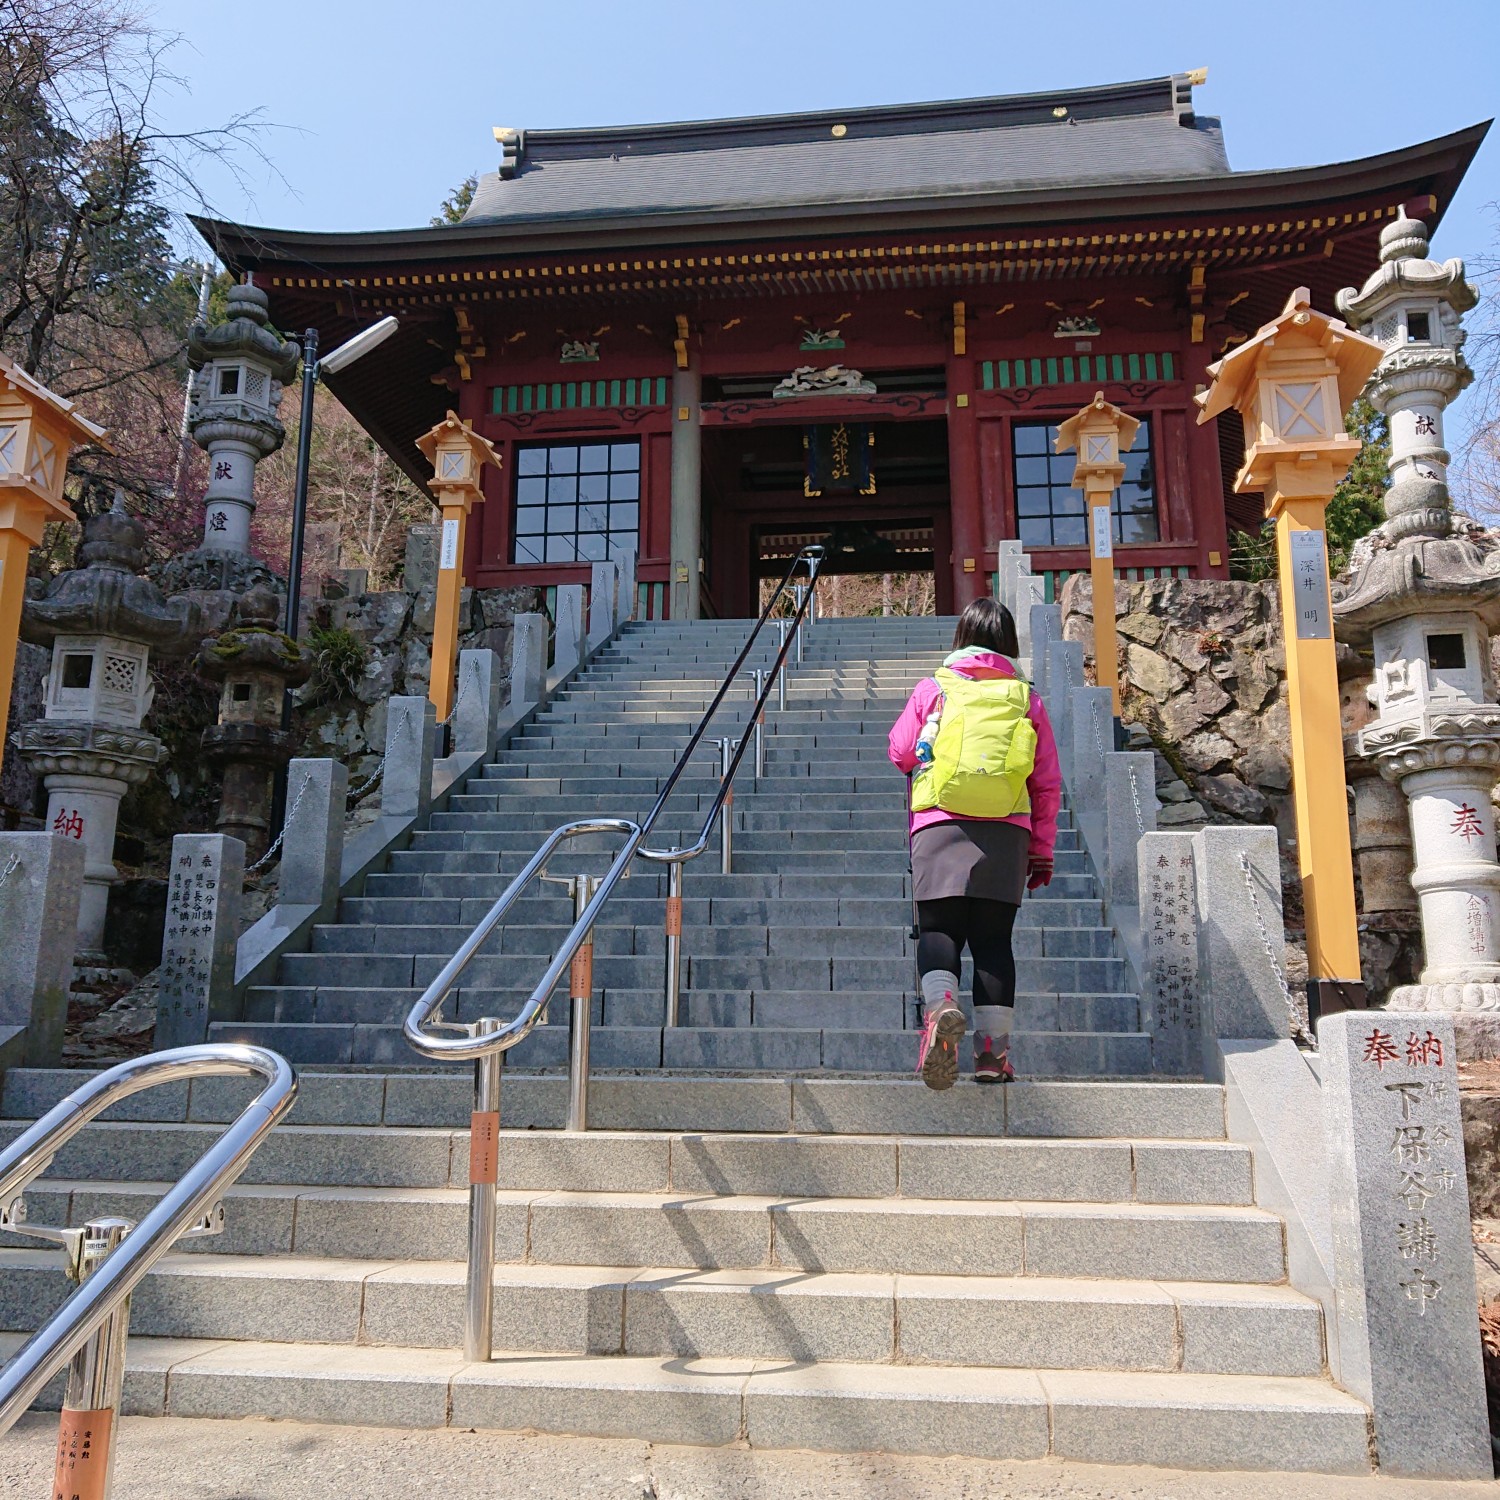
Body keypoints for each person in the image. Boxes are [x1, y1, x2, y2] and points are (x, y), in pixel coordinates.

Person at [888, 597, 1061, 1089]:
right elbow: (1046, 782)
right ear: (1009, 643)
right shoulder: (1026, 699)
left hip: (938, 823)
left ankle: (942, 1007)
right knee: (993, 942)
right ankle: (992, 1055)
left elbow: (900, 752)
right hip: (1007, 830)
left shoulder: (933, 689)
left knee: (939, 931)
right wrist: (1041, 849)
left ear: (960, 637)